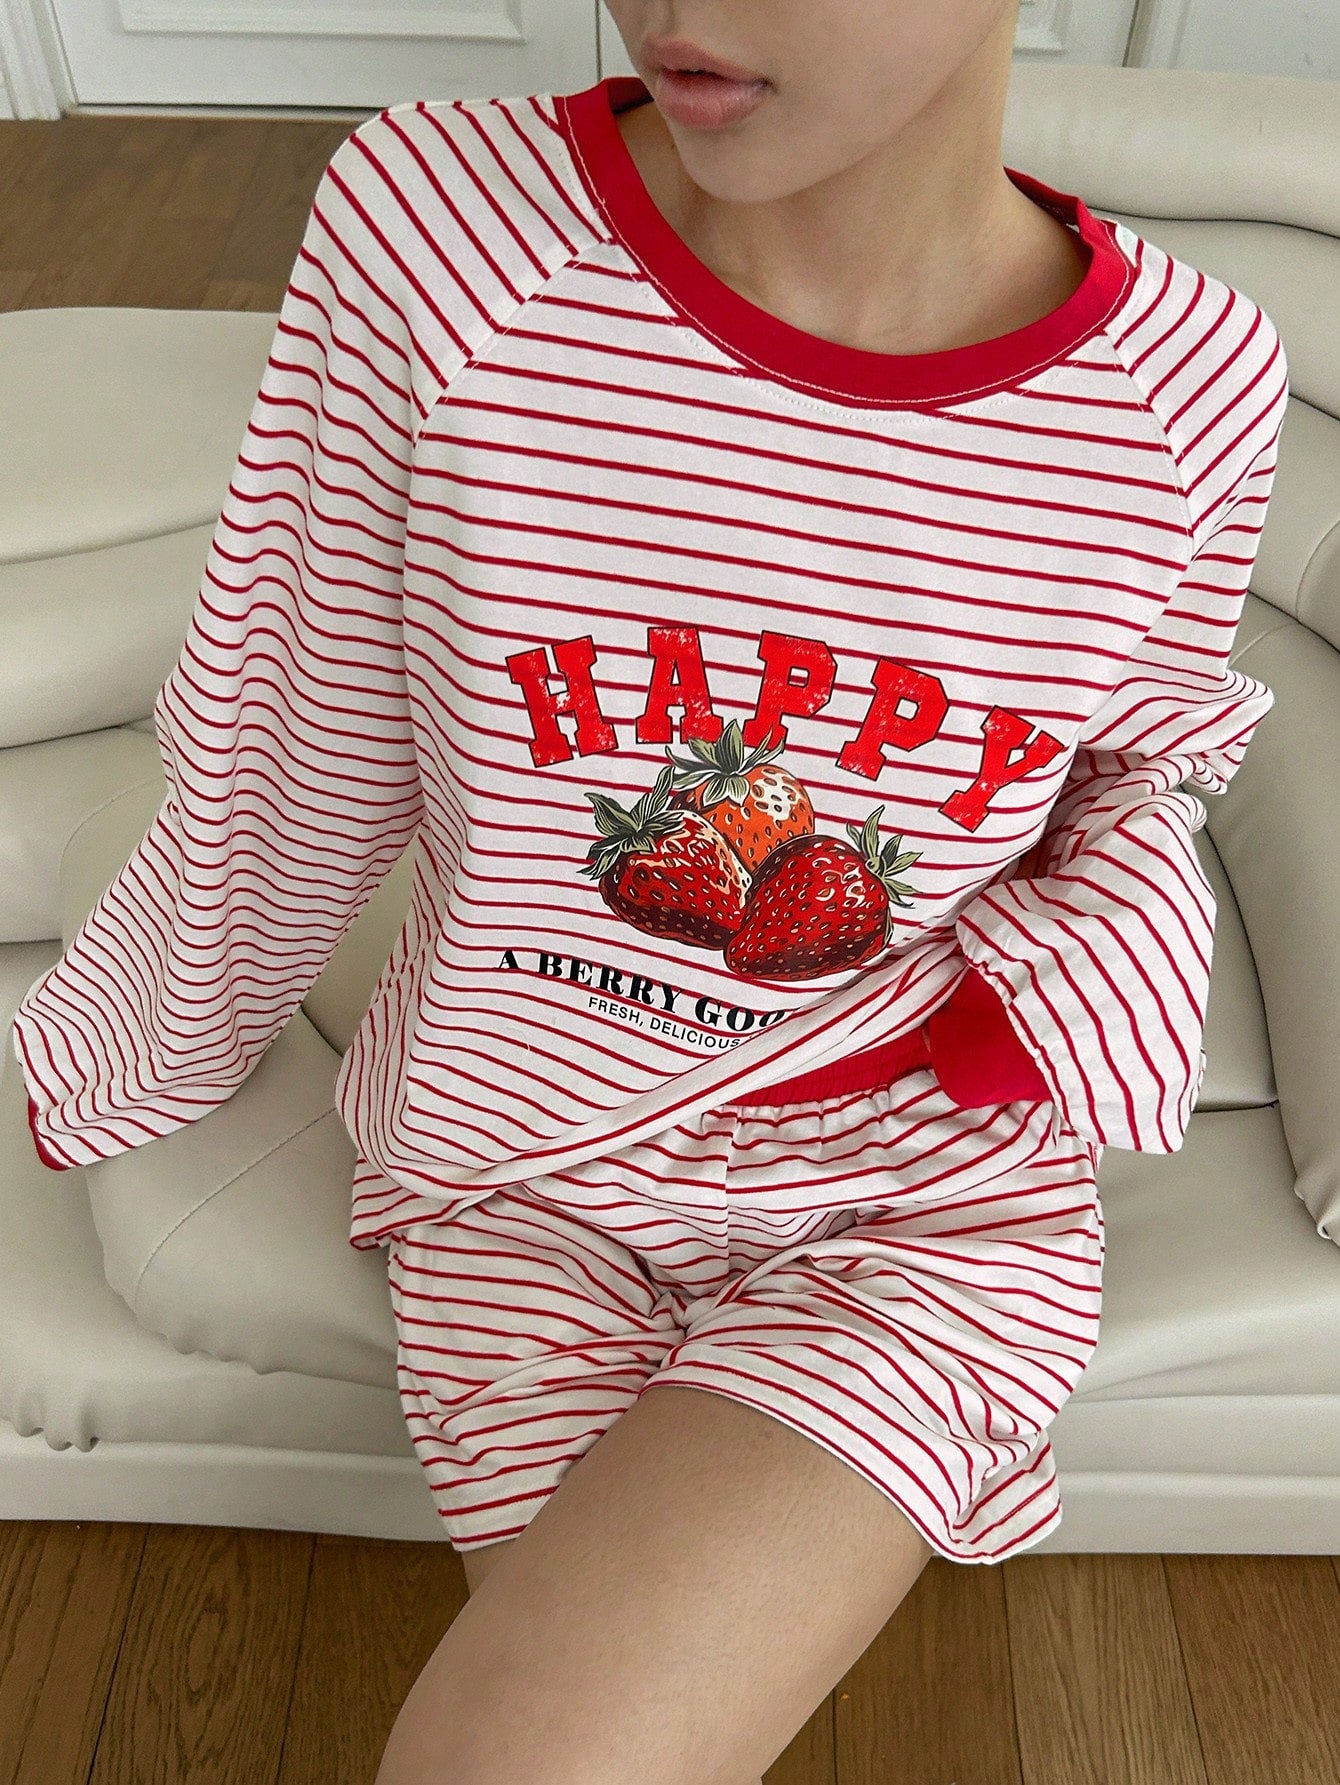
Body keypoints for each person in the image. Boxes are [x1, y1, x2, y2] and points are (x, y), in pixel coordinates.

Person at [11, 3, 1287, 1782]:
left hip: (914, 1205)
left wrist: (1063, 999)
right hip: (523, 1175)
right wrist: (134, 1046)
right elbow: (293, 718)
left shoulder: (1190, 388)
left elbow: (1142, 760)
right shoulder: (439, 232)